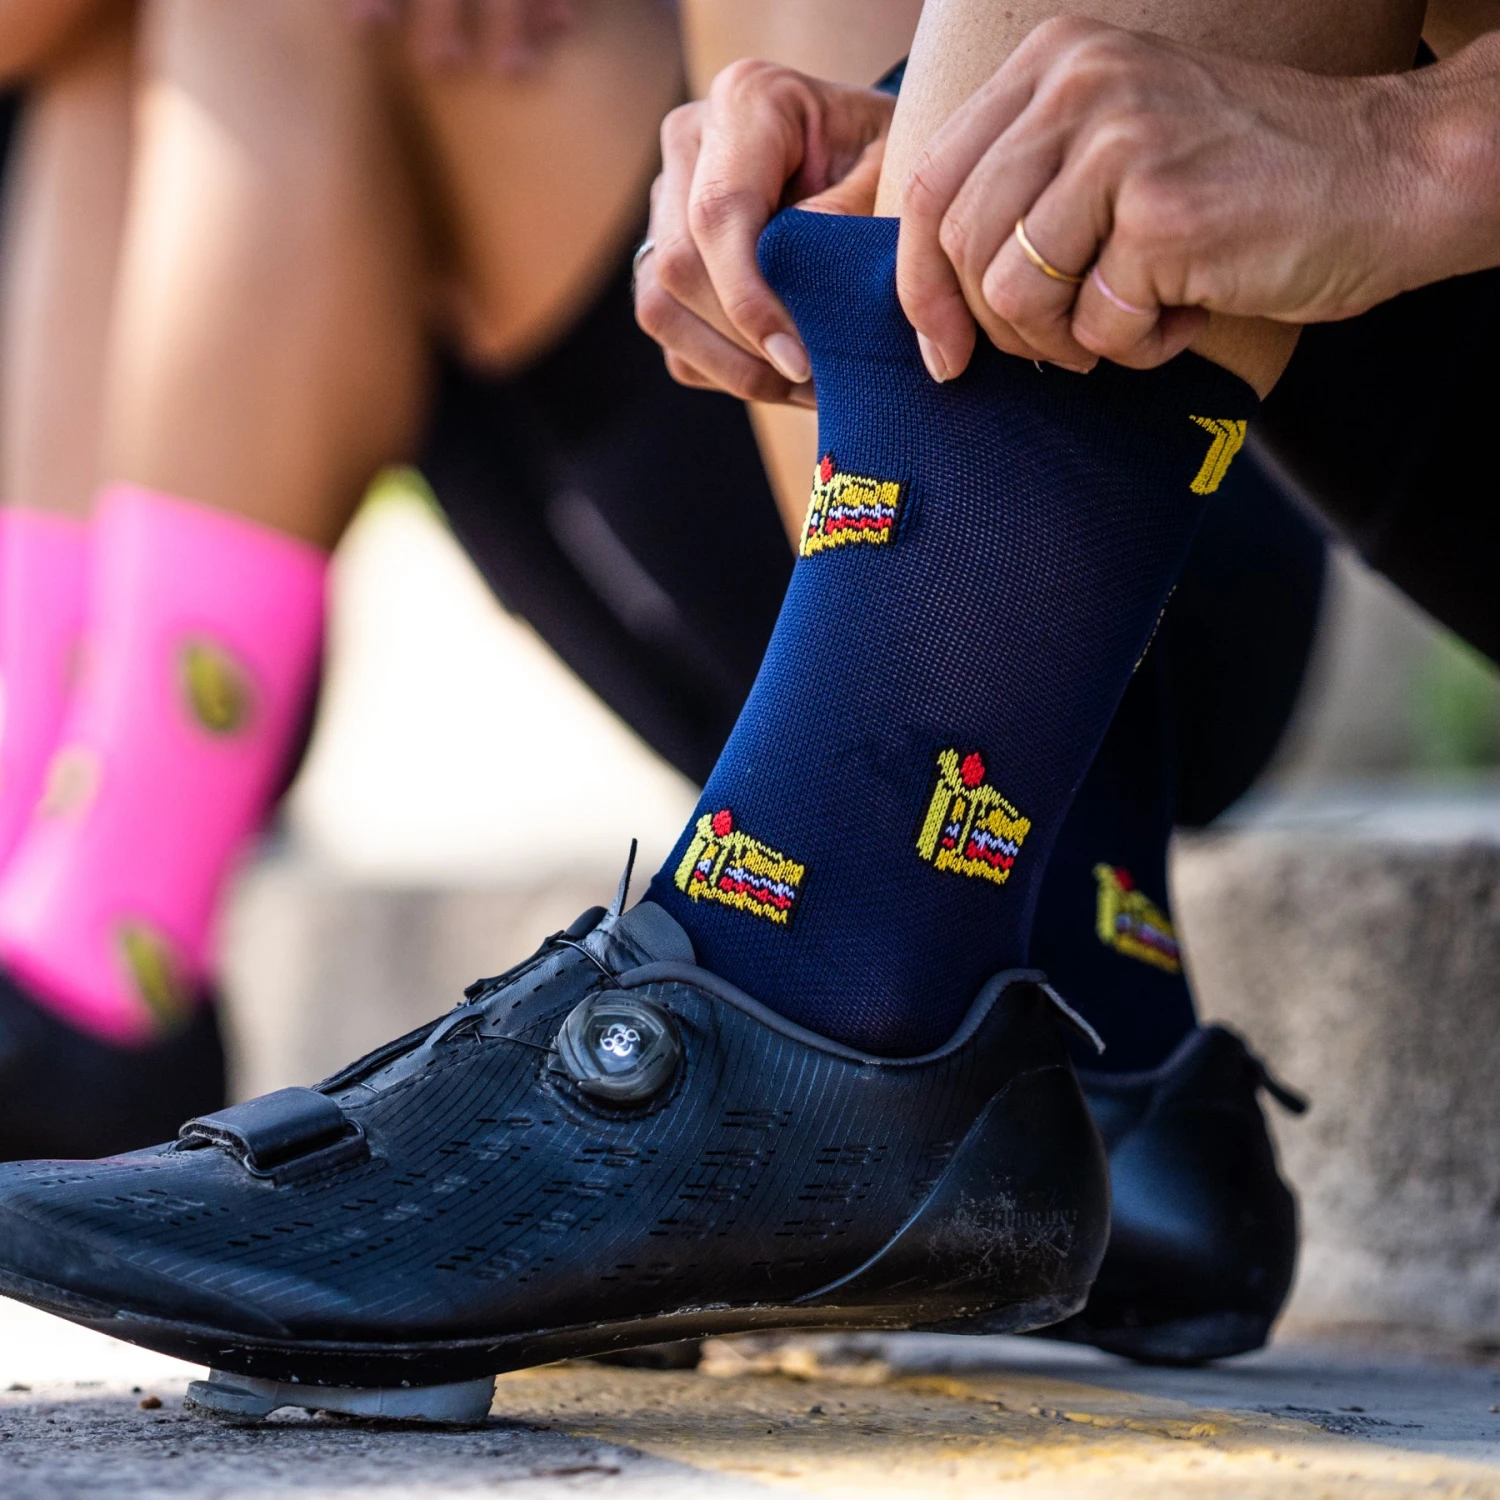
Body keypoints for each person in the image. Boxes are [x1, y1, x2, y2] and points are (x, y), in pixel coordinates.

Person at [0, 0, 1398, 1416]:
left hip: (1131, 529)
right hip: (814, 530)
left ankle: (1078, 1009)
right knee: (140, 40)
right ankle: (70, 933)